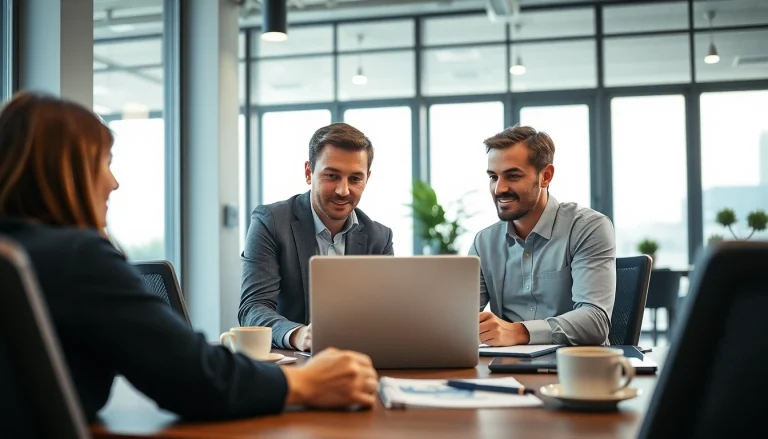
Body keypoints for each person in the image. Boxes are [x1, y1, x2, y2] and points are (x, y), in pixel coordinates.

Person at [0, 92, 379, 427]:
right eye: (104, 162)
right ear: (65, 172)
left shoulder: (22, 250)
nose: (112, 182)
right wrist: (307, 381)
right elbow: (192, 376)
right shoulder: (78, 258)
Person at [239, 123, 394, 352]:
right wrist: (298, 335)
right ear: (308, 172)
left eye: (355, 179)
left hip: (357, 361)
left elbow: (388, 314)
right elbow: (253, 308)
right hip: (293, 368)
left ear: (367, 178)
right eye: (332, 175)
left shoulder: (379, 237)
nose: (343, 190)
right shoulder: (270, 222)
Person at [470, 125, 616, 347]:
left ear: (545, 176)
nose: (499, 189)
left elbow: (595, 321)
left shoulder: (588, 227)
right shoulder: (484, 243)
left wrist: (519, 332)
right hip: (507, 366)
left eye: (513, 176)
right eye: (493, 177)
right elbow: (460, 317)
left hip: (574, 367)